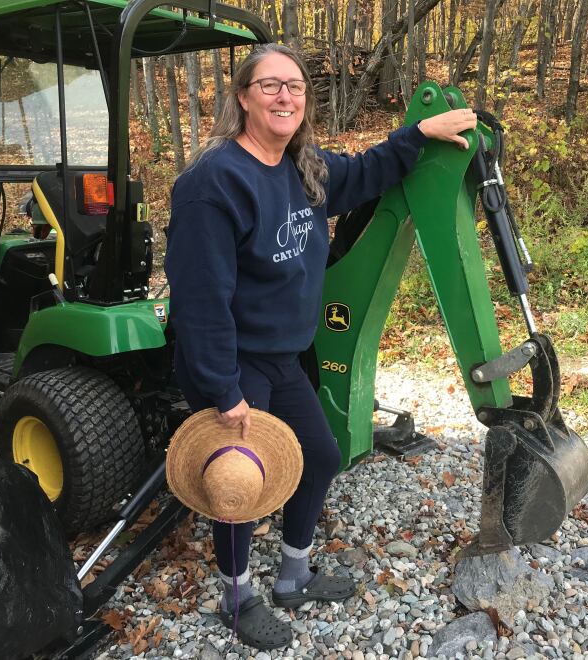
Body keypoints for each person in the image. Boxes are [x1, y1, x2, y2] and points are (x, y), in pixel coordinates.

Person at [165, 43, 477, 650]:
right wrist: (223, 389)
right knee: (239, 485)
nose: (286, 96)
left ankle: (293, 575)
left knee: (322, 456)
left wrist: (419, 133)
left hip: (282, 359)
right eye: (270, 86)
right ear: (242, 99)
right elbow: (200, 300)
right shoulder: (214, 184)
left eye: (296, 87)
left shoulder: (300, 167)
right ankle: (236, 598)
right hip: (236, 365)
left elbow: (365, 173)